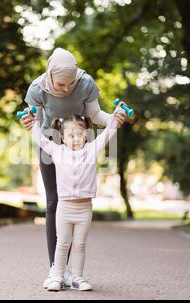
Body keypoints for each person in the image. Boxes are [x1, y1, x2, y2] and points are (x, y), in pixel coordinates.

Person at [21, 47, 127, 288]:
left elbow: (97, 115)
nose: (66, 88)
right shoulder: (37, 89)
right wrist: (29, 122)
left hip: (79, 140)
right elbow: (35, 125)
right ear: (49, 75)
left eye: (70, 83)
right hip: (51, 143)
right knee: (53, 202)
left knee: (76, 199)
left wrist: (116, 119)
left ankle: (73, 272)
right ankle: (56, 271)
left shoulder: (86, 83)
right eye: (61, 85)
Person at [30, 109, 122, 291]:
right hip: (64, 209)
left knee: (80, 244)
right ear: (62, 137)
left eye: (79, 134)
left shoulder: (92, 149)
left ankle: (78, 278)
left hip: (85, 209)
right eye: (70, 135)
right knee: (63, 243)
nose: (76, 138)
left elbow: (107, 134)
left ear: (86, 136)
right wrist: (32, 121)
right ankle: (57, 276)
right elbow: (39, 138)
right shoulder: (57, 151)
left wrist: (116, 117)